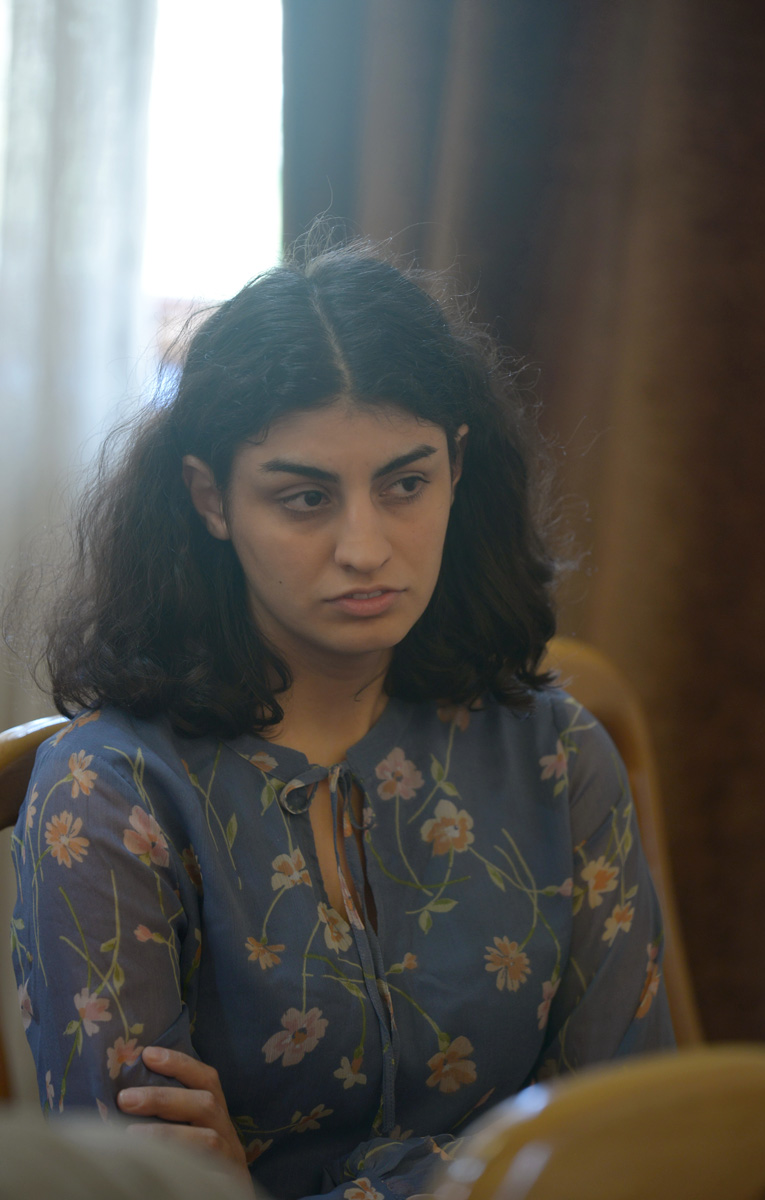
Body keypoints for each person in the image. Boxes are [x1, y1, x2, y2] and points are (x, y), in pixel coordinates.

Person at [10, 242, 674, 1200]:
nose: (365, 548)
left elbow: (624, 1147)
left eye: (405, 484)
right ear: (210, 499)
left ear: (456, 467)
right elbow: (143, 1189)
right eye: (305, 498)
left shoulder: (557, 755)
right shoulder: (106, 796)